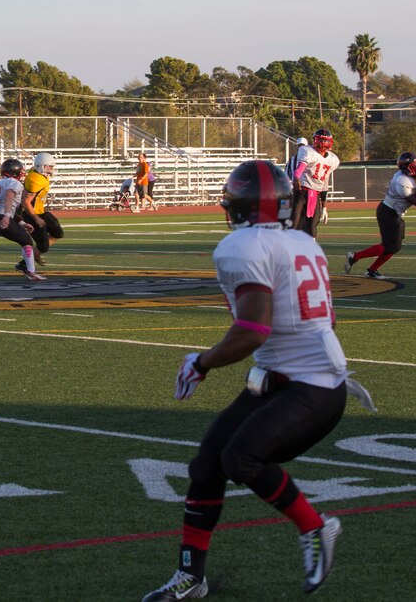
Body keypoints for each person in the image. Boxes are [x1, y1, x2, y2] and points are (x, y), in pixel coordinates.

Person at [142, 160, 373, 601]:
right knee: (207, 466)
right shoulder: (303, 242)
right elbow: (321, 317)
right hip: (287, 378)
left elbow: (253, 329)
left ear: (238, 206)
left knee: (241, 459)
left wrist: (203, 362)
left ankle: (316, 528)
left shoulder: (241, 246)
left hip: (313, 388)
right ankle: (191, 577)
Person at [344, 152, 416, 280]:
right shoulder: (403, 181)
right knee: (390, 246)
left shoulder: (410, 177)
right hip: (388, 212)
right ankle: (355, 257)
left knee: (394, 246)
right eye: (415, 164)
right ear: (408, 168)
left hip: (393, 212)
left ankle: (371, 270)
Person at [18, 151, 63, 269]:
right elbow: (26, 202)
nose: (51, 169)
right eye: (49, 166)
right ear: (41, 166)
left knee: (57, 233)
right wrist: (36, 219)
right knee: (43, 246)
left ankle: (34, 254)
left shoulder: (39, 174)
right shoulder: (36, 179)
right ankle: (24, 264)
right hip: (31, 214)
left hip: (41, 211)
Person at [291, 129, 339, 236]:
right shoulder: (308, 151)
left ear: (330, 142)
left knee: (312, 226)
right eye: (320, 140)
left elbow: (325, 184)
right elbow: (299, 169)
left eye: (325, 140)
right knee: (294, 221)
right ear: (315, 140)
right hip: (301, 191)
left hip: (315, 195)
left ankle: (311, 249)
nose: (323, 143)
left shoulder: (333, 159)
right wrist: (296, 177)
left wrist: (324, 207)